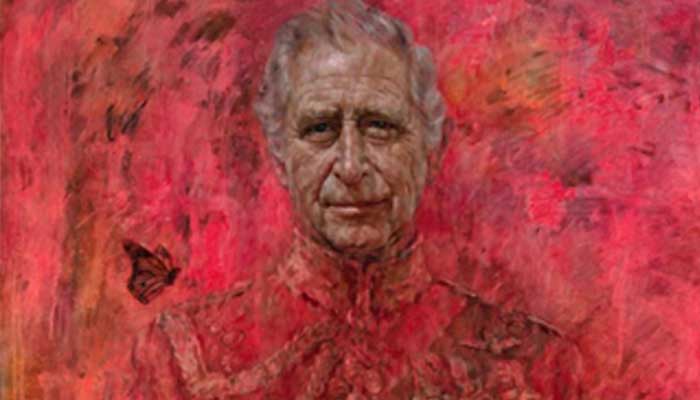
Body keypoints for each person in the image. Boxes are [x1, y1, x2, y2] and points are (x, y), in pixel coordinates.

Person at [129, 1, 583, 398]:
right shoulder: (184, 358)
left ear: (432, 150)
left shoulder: (536, 366)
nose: (350, 166)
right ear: (280, 156)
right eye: (320, 129)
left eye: (380, 126)